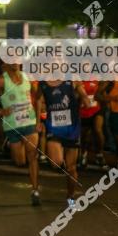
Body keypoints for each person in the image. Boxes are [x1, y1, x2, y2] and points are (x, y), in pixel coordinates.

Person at [0, 62, 42, 205]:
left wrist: (38, 120)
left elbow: (38, 98)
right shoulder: (1, 81)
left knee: (32, 156)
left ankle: (35, 190)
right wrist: (0, 112)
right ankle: (8, 144)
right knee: (20, 161)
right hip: (12, 125)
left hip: (29, 122)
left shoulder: (28, 77)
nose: (14, 62)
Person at [41, 79, 88, 208]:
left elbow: (84, 96)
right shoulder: (43, 83)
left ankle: (70, 196)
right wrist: (38, 119)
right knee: (56, 162)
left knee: (71, 168)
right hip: (53, 128)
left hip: (71, 129)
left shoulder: (72, 79)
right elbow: (37, 100)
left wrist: (85, 100)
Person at [78, 80, 105, 169]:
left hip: (96, 110)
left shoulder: (97, 78)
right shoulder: (77, 80)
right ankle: (83, 155)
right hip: (83, 112)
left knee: (98, 130)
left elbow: (101, 93)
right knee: (84, 135)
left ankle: (99, 154)